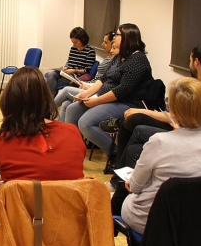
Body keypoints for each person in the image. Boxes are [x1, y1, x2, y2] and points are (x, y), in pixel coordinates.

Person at [120, 77, 201, 235]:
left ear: (173, 110)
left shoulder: (160, 141)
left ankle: (112, 245)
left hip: (158, 220)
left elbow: (135, 187)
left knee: (125, 195)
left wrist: (133, 183)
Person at [107, 45, 201, 169]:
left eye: (190, 61)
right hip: (182, 125)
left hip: (186, 130)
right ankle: (121, 169)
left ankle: (120, 170)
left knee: (134, 120)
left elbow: (178, 118)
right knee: (132, 122)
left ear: (196, 62)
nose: (189, 64)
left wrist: (143, 111)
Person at [64, 23, 153, 158]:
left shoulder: (138, 60)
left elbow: (122, 90)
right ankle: (70, 150)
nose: (114, 38)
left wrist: (96, 101)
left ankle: (116, 154)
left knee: (85, 123)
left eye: (117, 35)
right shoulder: (119, 56)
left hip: (126, 102)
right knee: (72, 109)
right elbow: (104, 79)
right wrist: (86, 94)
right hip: (106, 97)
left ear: (127, 37)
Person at [0, 67, 84, 188]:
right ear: (47, 99)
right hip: (69, 204)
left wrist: (7, 188)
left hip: (22, 205)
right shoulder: (72, 133)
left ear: (8, 101)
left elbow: (14, 175)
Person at [54, 31, 116, 121]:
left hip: (95, 90)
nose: (102, 44)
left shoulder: (114, 61)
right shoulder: (109, 58)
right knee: (66, 103)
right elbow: (100, 79)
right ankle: (64, 131)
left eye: (106, 42)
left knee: (66, 90)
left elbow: (104, 82)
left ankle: (45, 110)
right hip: (91, 85)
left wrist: (88, 87)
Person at [44, 27, 96, 96]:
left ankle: (52, 100)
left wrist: (74, 71)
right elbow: (69, 61)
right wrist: (65, 67)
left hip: (75, 76)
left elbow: (87, 70)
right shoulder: (73, 48)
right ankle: (51, 99)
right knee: (51, 74)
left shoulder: (90, 51)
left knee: (52, 82)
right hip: (67, 72)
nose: (74, 44)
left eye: (76, 42)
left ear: (83, 39)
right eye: (72, 42)